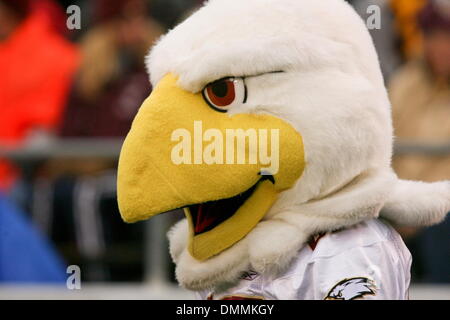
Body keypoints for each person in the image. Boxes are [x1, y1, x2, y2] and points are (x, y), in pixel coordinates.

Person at [389, 0, 450, 283]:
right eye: (433, 35)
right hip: (400, 210)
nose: (440, 46)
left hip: (443, 214)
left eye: (447, 36)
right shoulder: (405, 83)